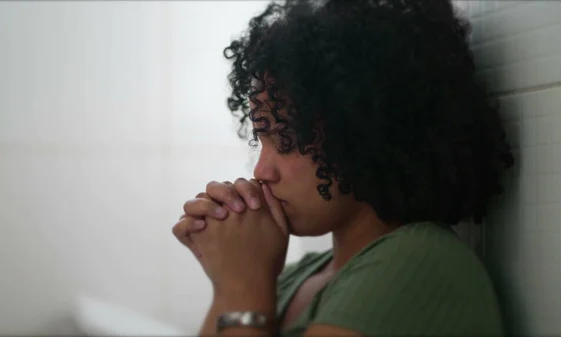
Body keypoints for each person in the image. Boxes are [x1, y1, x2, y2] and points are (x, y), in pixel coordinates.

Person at [172, 0, 514, 336]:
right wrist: (232, 276)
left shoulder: (419, 264)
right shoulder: (298, 276)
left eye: (288, 139)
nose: (262, 171)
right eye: (262, 139)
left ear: (366, 133)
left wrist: (241, 285)